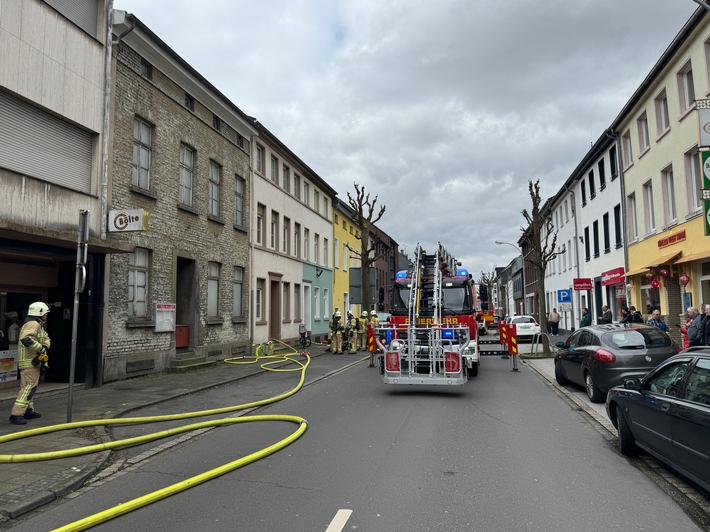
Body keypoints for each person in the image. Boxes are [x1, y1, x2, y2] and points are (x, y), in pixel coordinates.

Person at [9, 302, 50, 425]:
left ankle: (28, 410)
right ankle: (16, 414)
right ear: (40, 312)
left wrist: (45, 345)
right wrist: (41, 349)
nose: (46, 316)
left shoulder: (37, 325)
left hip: (32, 363)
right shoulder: (33, 324)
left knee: (30, 388)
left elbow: (46, 338)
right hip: (29, 363)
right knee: (28, 388)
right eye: (46, 314)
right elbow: (26, 339)